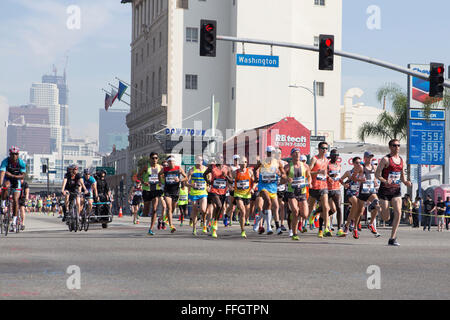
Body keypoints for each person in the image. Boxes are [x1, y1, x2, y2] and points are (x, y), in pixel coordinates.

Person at [375, 139, 412, 246]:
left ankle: (392, 238)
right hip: (385, 190)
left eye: (398, 145)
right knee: (386, 218)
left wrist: (405, 182)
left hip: (396, 190)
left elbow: (402, 176)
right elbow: (377, 174)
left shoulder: (401, 160)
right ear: (390, 147)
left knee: (398, 212)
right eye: (395, 145)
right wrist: (385, 181)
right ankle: (377, 208)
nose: (397, 147)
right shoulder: (385, 160)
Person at [254, 146, 286, 235]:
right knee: (268, 202)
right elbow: (254, 168)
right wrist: (255, 177)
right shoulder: (262, 161)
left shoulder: (277, 162)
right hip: (263, 186)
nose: (270, 154)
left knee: (276, 207)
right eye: (268, 152)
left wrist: (280, 174)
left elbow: (283, 174)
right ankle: (268, 227)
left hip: (273, 187)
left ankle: (275, 226)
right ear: (266, 153)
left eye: (272, 152)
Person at [284, 148, 312, 241]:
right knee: (295, 211)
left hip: (302, 192)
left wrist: (310, 182)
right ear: (291, 155)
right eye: (295, 153)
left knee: (305, 214)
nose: (297, 155)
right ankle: (294, 233)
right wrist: (287, 179)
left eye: (298, 153)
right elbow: (282, 177)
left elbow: (309, 176)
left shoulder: (305, 166)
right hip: (292, 192)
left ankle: (297, 221)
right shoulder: (288, 166)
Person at [203, 154, 232, 238]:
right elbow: (204, 175)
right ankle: (214, 226)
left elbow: (231, 181)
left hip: (223, 192)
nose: (220, 159)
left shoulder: (227, 168)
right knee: (218, 205)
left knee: (219, 208)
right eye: (219, 158)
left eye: (222, 157)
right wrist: (208, 182)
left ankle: (214, 222)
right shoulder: (212, 167)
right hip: (214, 191)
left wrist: (225, 176)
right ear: (216, 159)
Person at [354, 151, 381, 239]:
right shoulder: (361, 167)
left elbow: (375, 176)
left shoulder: (374, 167)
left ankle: (370, 223)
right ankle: (355, 229)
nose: (370, 159)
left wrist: (375, 181)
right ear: (365, 158)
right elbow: (353, 177)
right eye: (369, 157)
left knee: (377, 204)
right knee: (359, 212)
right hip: (363, 191)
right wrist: (361, 180)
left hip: (371, 190)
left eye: (371, 157)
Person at [307, 141, 332, 238]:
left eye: (326, 148)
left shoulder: (326, 160)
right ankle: (307, 220)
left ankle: (326, 228)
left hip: (323, 186)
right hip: (314, 187)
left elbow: (324, 173)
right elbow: (308, 172)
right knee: (309, 208)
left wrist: (328, 177)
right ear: (319, 149)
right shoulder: (314, 159)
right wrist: (317, 172)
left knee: (326, 207)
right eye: (323, 148)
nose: (325, 150)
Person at [0, 146, 27, 231]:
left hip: (16, 179)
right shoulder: (5, 161)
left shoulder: (21, 163)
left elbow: (23, 175)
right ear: (10, 154)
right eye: (12, 154)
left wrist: (13, 176)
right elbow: (3, 173)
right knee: (5, 186)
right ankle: (3, 202)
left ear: (18, 155)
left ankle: (14, 222)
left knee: (15, 200)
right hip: (7, 179)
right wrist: (0, 184)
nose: (14, 156)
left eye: (15, 154)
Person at [159, 156, 188, 233]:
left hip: (175, 191)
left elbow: (186, 177)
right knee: (169, 207)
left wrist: (180, 180)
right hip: (167, 190)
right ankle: (171, 226)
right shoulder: (165, 169)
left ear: (174, 162)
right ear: (168, 163)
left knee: (173, 207)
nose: (171, 162)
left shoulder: (178, 168)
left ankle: (167, 218)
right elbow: (159, 174)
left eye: (172, 161)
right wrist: (160, 182)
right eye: (170, 161)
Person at [140, 152, 164, 236]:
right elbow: (138, 175)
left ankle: (151, 228)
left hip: (156, 190)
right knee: (146, 211)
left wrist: (161, 182)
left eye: (156, 158)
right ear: (150, 159)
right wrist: (143, 182)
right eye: (153, 158)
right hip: (147, 190)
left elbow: (162, 177)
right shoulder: (146, 167)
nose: (155, 160)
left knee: (154, 209)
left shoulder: (160, 167)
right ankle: (143, 210)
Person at [232, 156, 256, 239]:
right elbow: (229, 181)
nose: (244, 164)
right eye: (242, 162)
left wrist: (252, 188)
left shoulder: (249, 171)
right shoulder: (235, 172)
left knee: (247, 212)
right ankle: (242, 230)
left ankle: (244, 220)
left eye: (245, 162)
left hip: (247, 194)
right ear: (239, 163)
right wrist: (230, 186)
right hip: (238, 194)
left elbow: (255, 181)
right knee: (243, 211)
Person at [340, 157, 363, 237]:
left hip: (359, 192)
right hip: (350, 192)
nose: (358, 164)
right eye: (356, 162)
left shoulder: (362, 172)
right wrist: (344, 184)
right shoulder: (349, 172)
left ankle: (348, 224)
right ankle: (350, 224)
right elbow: (340, 179)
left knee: (360, 210)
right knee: (355, 203)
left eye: (360, 163)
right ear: (353, 163)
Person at [187, 155, 208, 235]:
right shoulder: (191, 170)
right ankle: (194, 228)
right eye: (198, 160)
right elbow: (186, 182)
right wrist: (191, 185)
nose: (199, 162)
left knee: (203, 209)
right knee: (195, 209)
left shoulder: (206, 169)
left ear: (202, 161)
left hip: (203, 192)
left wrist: (208, 186)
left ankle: (204, 223)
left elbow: (209, 179)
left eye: (201, 160)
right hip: (194, 193)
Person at [327, 149, 344, 236]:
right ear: (331, 155)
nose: (336, 156)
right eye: (334, 154)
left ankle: (339, 229)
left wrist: (343, 183)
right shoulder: (327, 164)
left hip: (337, 189)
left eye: (337, 154)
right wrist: (329, 176)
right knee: (331, 209)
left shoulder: (339, 165)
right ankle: (325, 226)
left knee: (338, 208)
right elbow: (322, 175)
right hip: (328, 189)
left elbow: (339, 177)